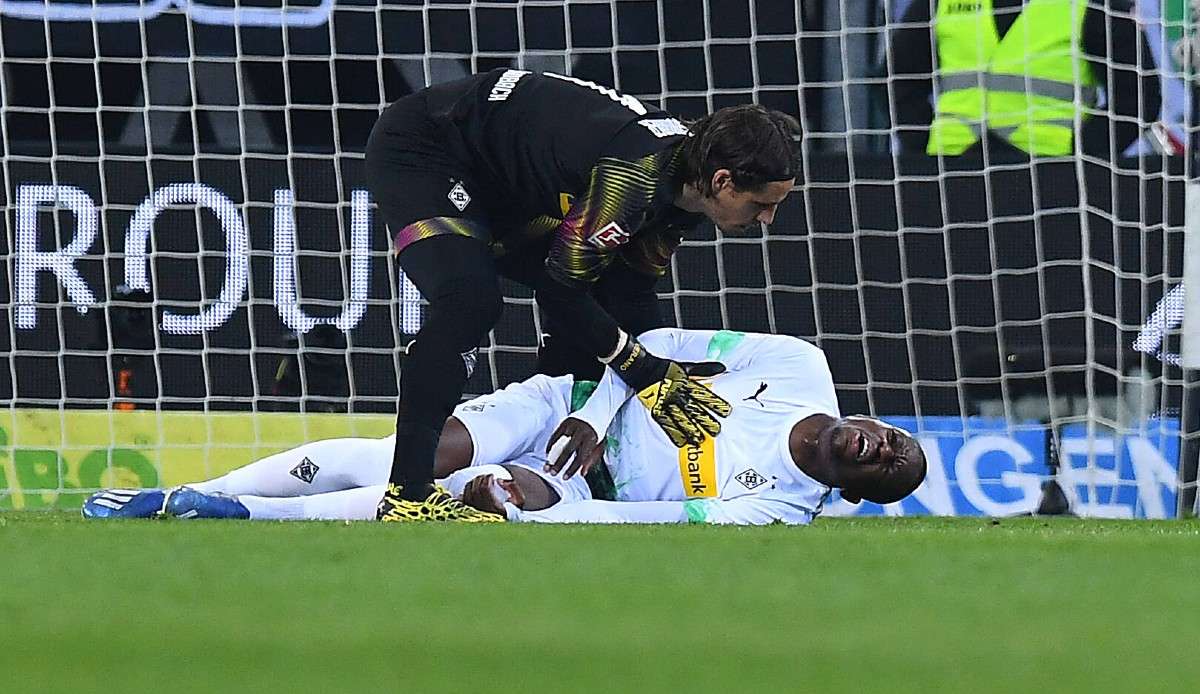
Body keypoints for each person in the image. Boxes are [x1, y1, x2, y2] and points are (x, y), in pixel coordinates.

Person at [363, 69, 802, 521]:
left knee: (601, 299)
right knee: (469, 301)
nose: (767, 219)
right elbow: (560, 290)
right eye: (761, 204)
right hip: (428, 147)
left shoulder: (684, 185)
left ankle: (543, 458)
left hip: (506, 184)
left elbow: (630, 293)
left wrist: (638, 379)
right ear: (724, 182)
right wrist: (643, 367)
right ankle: (407, 494)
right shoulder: (635, 176)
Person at [82, 329, 926, 525]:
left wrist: (553, 511)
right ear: (876, 419)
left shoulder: (780, 507)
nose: (881, 449)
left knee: (475, 497)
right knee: (413, 456)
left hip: (578, 483)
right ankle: (197, 490)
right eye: (894, 438)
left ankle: (233, 514)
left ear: (857, 489)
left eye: (886, 469)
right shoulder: (801, 366)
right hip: (566, 407)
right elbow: (660, 345)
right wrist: (595, 414)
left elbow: (658, 519)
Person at [889, 0, 1160, 160]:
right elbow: (898, 78)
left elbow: (1140, 95)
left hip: (1054, 178)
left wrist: (1083, 153)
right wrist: (920, 153)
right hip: (951, 170)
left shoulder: (1091, 3)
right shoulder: (942, 3)